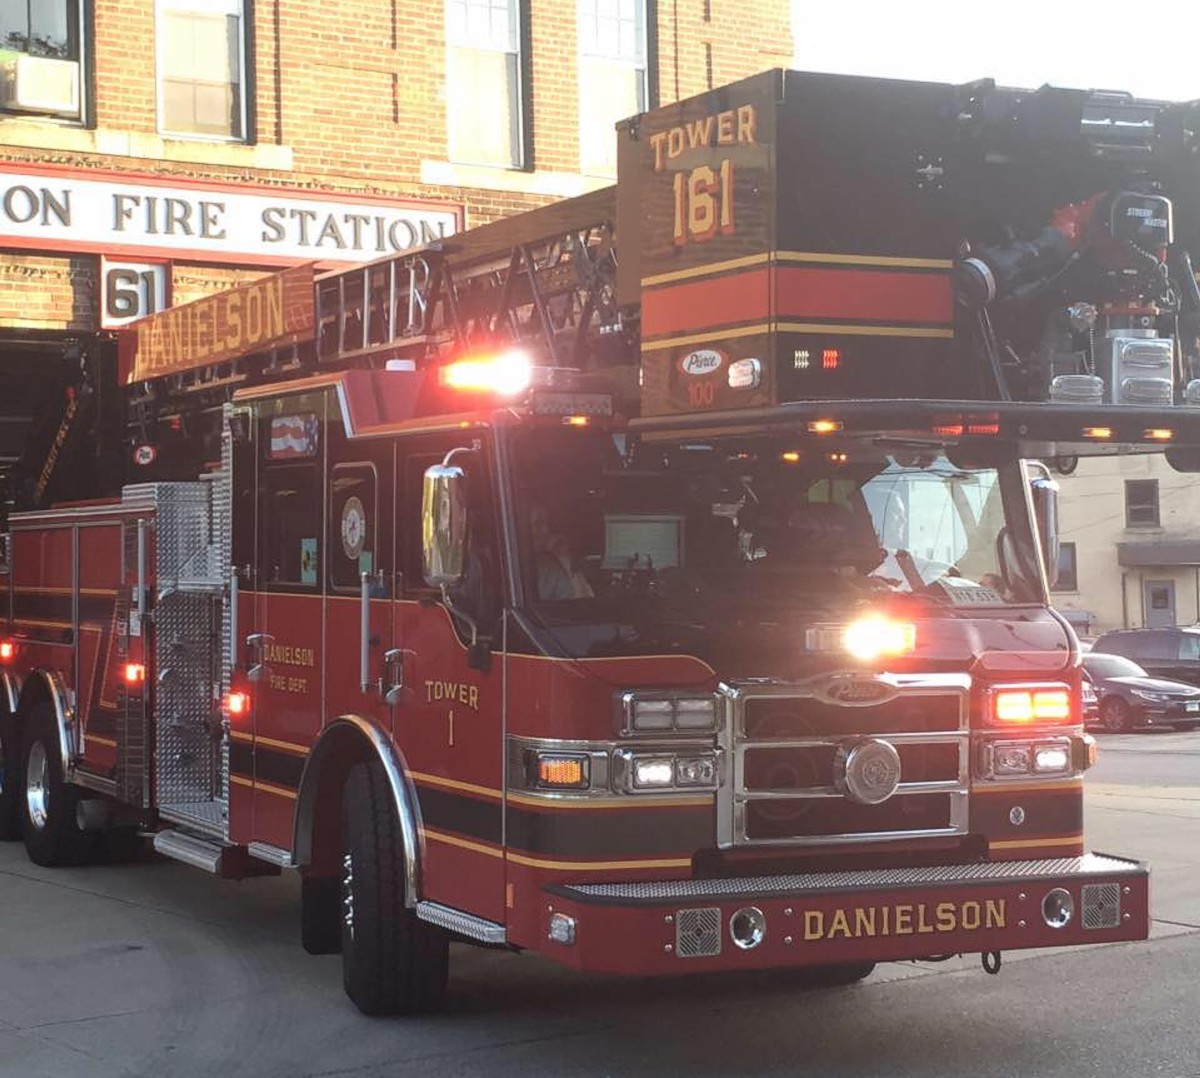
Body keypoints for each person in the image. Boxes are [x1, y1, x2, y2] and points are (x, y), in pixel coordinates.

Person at [530, 504, 594, 600]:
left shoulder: (551, 567)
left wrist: (564, 558)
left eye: (547, 523)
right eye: (537, 524)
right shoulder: (540, 569)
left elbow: (585, 601)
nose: (545, 530)